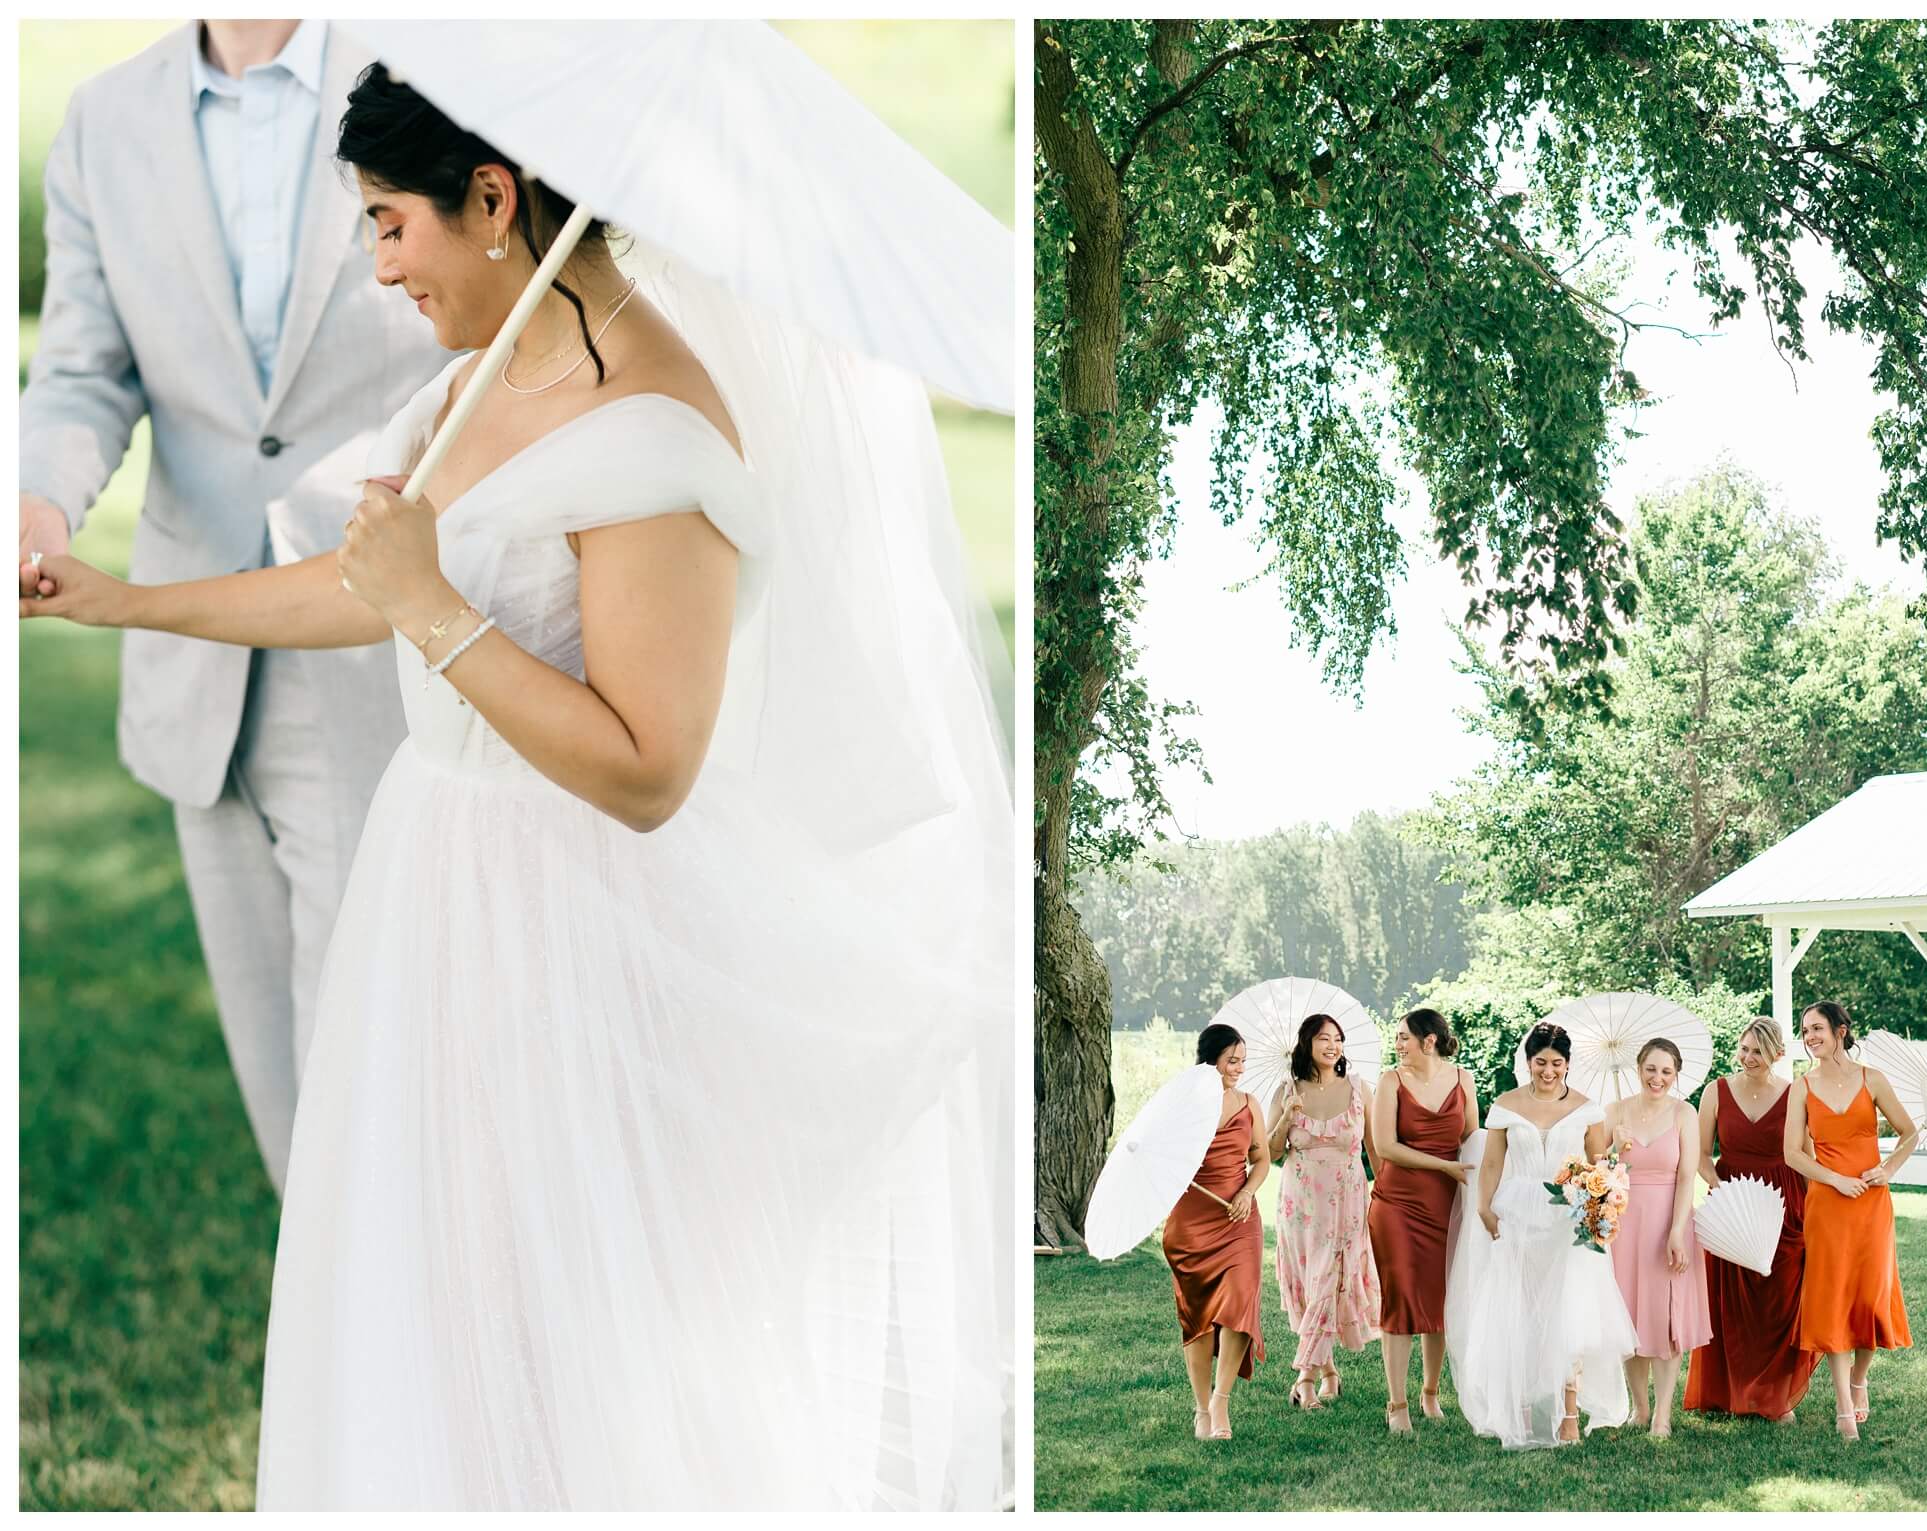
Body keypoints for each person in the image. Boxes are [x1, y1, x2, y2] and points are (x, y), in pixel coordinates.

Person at [22, 60, 1011, 1509]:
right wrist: (118, 603)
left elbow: (649, 763)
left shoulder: (659, 431)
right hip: (437, 895)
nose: (378, 266)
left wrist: (434, 605)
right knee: (428, 1303)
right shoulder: (491, 366)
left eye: (389, 225)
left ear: (493, 201)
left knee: (557, 1335)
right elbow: (351, 592)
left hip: (577, 929)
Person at [18, 19, 451, 1190]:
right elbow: (80, 370)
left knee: (377, 1084)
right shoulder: (105, 119)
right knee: (287, 1106)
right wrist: (38, 505)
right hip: (195, 667)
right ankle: (338, 1354)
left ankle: (396, 1350)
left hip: (381, 638)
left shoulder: (427, 68)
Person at [1444, 1022, 1637, 1449]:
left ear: (1567, 1065)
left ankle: (1569, 1413)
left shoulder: (1589, 1109)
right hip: (1517, 1215)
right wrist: (1483, 1207)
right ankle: (1522, 1407)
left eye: (1556, 1064)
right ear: (1528, 1062)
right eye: (1540, 1063)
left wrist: (1615, 1151)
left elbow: (1598, 1166)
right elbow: (1492, 1164)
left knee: (1568, 1312)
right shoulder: (1506, 1106)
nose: (1548, 1071)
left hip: (1568, 1217)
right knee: (1519, 1309)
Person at [1784, 1001, 1917, 1442]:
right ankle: (1843, 1402)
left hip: (1872, 1206)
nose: (1810, 1037)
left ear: (1841, 1030)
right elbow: (1793, 1154)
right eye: (1805, 1031)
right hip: (1828, 1203)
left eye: (1817, 1028)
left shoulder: (1872, 1079)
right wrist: (1835, 1180)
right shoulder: (1801, 1087)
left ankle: (1860, 1379)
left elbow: (1908, 1132)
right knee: (1834, 1297)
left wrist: (1889, 1169)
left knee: (1869, 1297)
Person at [1684, 1018, 1818, 1423]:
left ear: (1777, 1054)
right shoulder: (1715, 1092)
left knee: (1780, 1298)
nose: (1748, 1058)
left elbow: (1807, 1153)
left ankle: (1775, 1395)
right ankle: (1731, 1391)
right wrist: (1719, 1188)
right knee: (1731, 1301)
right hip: (1730, 1202)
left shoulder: (1796, 1094)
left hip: (1784, 1203)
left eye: (1757, 1051)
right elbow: (1701, 1154)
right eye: (1744, 1049)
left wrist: (1822, 1206)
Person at [1365, 1007, 1476, 1432]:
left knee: (1439, 1299)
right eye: (1396, 1038)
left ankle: (1431, 1394)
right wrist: (1441, 1166)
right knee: (1402, 1298)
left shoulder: (1462, 1079)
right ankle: (1397, 1404)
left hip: (1447, 1202)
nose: (1397, 1045)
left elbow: (1470, 1138)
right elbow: (1386, 1147)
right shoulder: (1390, 1081)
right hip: (1397, 1203)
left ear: (1429, 1041)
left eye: (1403, 1037)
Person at [1266, 1013, 1380, 1410]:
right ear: (1306, 1045)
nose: (1332, 1046)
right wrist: (1286, 1114)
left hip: (1348, 1200)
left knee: (1333, 1279)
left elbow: (1375, 1149)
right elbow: (1271, 1152)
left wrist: (1381, 1189)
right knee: (1315, 1282)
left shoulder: (1361, 1088)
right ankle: (1327, 1372)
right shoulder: (1285, 1090)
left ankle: (1305, 1377)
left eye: (1337, 1039)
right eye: (1322, 1039)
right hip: (1302, 1205)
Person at [1163, 1023, 1269, 1442]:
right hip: (1191, 1221)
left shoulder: (1249, 1103)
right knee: (1199, 1317)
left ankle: (1220, 1401)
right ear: (1211, 1059)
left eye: (1242, 1060)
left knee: (1241, 1304)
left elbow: (1260, 1158)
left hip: (1238, 1218)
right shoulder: (1184, 1104)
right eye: (1231, 1060)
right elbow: (1164, 1158)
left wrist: (1247, 1191)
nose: (1238, 1068)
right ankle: (1200, 1407)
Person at [1606, 1038, 1711, 1437]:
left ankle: (1663, 1413)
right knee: (1628, 1316)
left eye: (1667, 1071)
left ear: (1676, 1074)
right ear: (1639, 1068)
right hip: (1623, 1223)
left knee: (1666, 1318)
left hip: (1669, 1221)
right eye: (1651, 1069)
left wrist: (1677, 1230)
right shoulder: (1615, 1111)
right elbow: (1594, 1168)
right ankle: (1639, 1406)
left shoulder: (1684, 1113)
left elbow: (1687, 1176)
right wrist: (1611, 1148)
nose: (1658, 1078)